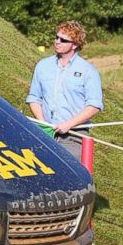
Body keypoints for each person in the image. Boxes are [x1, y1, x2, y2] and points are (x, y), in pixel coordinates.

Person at [26, 20, 103, 153]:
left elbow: (94, 106)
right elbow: (34, 98)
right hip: (45, 131)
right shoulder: (43, 66)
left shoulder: (88, 71)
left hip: (74, 133)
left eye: (63, 40)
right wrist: (43, 123)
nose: (57, 41)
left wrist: (68, 125)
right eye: (56, 37)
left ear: (74, 45)